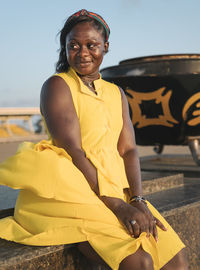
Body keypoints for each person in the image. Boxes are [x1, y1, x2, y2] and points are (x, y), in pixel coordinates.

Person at [0, 9, 188, 270]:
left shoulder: (116, 92)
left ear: (106, 47)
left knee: (177, 262)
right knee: (138, 263)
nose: (83, 52)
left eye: (91, 45)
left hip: (115, 186)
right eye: (73, 45)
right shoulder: (57, 85)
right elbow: (74, 150)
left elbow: (129, 149)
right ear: (64, 49)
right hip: (73, 189)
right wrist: (115, 205)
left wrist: (137, 199)